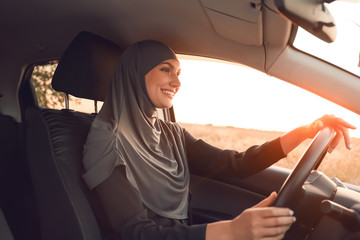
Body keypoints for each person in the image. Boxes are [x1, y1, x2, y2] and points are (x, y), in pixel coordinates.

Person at [82, 40, 355, 240]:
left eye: (178, 73)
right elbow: (138, 234)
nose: (177, 83)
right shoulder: (106, 143)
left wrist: (306, 131)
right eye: (166, 70)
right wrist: (232, 230)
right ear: (135, 73)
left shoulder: (169, 133)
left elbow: (234, 164)